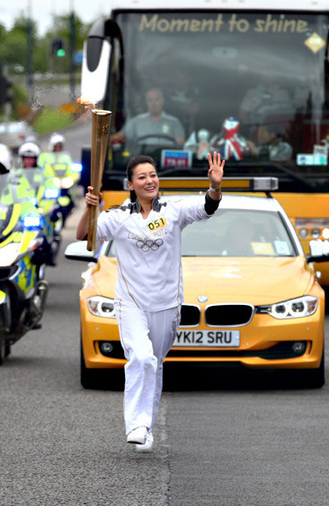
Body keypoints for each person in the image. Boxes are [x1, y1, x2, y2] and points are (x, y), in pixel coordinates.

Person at [76, 152, 225, 453]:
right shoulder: (118, 217)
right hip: (131, 303)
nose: (150, 180)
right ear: (130, 184)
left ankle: (146, 427)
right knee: (141, 358)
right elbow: (84, 235)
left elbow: (207, 207)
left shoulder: (174, 211)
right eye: (142, 177)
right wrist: (89, 210)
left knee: (153, 364)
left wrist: (215, 186)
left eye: (153, 175)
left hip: (167, 304)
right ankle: (136, 425)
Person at [111, 88, 185, 149]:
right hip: (142, 162)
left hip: (166, 163)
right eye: (150, 100)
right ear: (146, 103)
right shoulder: (137, 121)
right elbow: (119, 136)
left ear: (162, 101)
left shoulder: (174, 122)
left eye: (156, 99)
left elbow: (181, 144)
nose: (153, 103)